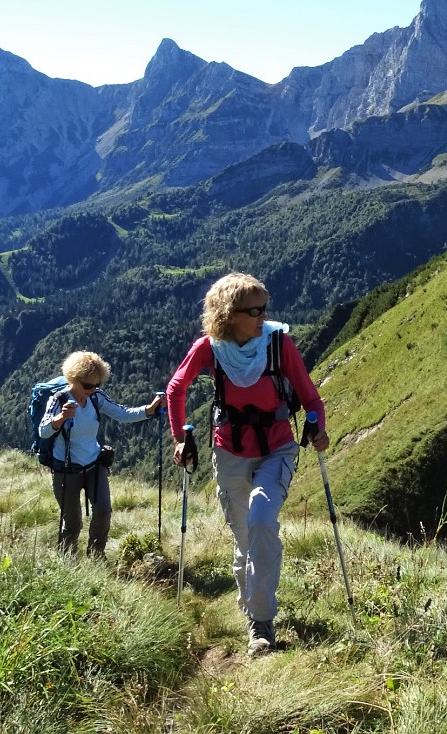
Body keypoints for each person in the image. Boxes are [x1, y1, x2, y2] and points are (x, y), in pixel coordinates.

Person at [166, 272, 328, 656]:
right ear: (228, 314)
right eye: (253, 311)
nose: (262, 317)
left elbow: (311, 398)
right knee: (243, 535)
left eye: (264, 308)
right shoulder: (210, 347)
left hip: (278, 449)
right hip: (230, 452)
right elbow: (176, 387)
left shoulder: (278, 342)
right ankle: (250, 604)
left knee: (260, 520)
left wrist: (318, 428)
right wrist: (179, 436)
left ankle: (261, 623)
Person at [40, 350, 162, 559]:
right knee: (72, 523)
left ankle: (96, 555)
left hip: (94, 465)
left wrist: (149, 410)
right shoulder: (59, 400)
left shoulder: (96, 397)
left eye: (97, 384)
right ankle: (67, 561)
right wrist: (61, 418)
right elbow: (43, 430)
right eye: (87, 385)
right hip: (66, 470)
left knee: (104, 511)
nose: (92, 389)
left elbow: (121, 413)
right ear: (73, 379)